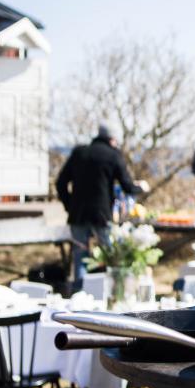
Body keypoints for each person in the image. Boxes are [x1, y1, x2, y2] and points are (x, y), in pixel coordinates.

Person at [55, 124, 149, 292]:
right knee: (112, 256)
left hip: (78, 214)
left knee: (80, 257)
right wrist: (141, 188)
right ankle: (113, 292)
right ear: (112, 140)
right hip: (102, 215)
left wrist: (69, 205)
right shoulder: (113, 155)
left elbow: (60, 183)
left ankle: (81, 296)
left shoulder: (79, 153)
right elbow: (127, 186)